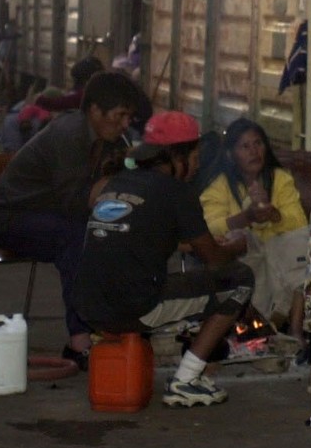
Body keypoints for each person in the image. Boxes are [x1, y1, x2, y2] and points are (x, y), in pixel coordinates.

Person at [74, 110, 255, 408]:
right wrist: (236, 246)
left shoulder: (120, 181)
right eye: (195, 157)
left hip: (86, 304)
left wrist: (192, 244)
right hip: (133, 307)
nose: (197, 166)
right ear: (176, 156)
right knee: (239, 280)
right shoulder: (177, 192)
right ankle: (187, 380)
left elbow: (138, 234)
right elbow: (215, 262)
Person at [0, 70, 152, 366]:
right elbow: (77, 203)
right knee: (75, 236)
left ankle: (120, 323)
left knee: (117, 232)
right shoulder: (69, 135)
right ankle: (80, 341)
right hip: (8, 217)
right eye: (120, 115)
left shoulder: (109, 138)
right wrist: (119, 175)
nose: (125, 124)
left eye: (128, 118)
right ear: (95, 110)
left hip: (47, 215)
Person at [197, 118, 310, 348]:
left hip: (282, 254)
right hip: (247, 258)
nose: (254, 152)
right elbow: (208, 226)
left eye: (258, 144)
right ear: (231, 154)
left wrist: (272, 214)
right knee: (244, 241)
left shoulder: (280, 178)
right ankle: (252, 326)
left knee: (303, 240)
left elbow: (298, 222)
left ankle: (296, 331)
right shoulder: (220, 185)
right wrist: (246, 218)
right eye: (245, 146)